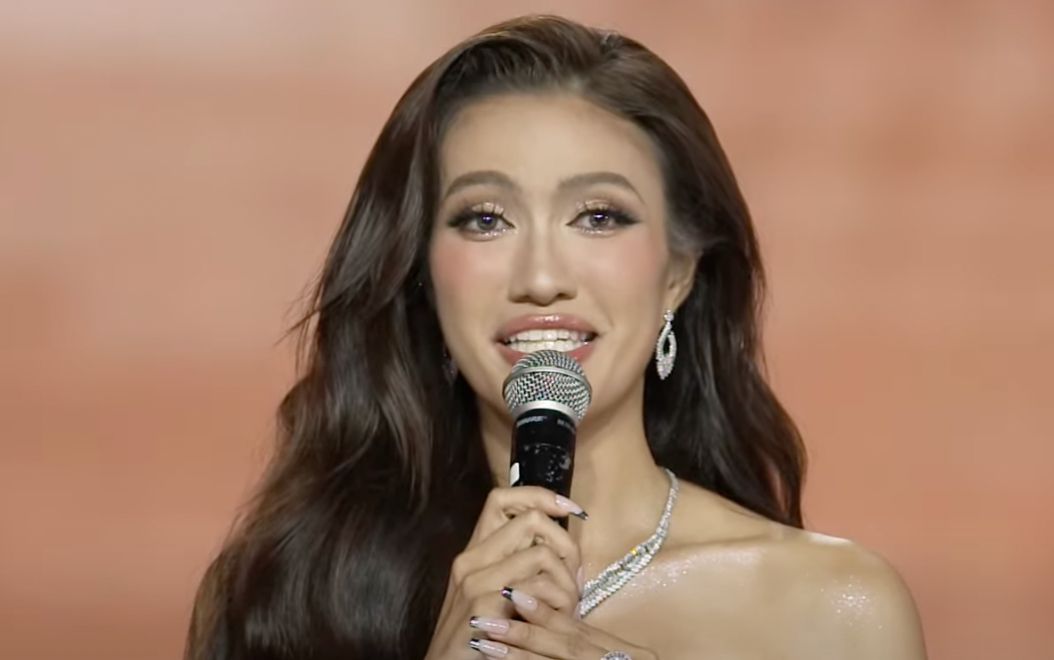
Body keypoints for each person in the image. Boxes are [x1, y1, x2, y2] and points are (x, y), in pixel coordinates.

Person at [186, 14, 926, 660]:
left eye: (599, 217)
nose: (541, 277)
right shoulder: (285, 594)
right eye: (485, 219)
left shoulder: (834, 610)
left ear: (677, 273)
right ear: (420, 274)